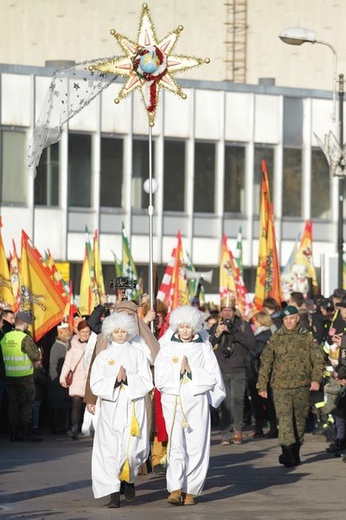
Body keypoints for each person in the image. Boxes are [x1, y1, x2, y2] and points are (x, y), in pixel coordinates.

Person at [155, 305, 225, 506]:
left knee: (196, 445)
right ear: (176, 326)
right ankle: (175, 488)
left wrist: (192, 372)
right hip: (174, 400)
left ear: (195, 327)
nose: (185, 330)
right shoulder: (167, 347)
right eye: (182, 326)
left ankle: (191, 490)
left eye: (189, 326)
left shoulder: (203, 347)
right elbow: (159, 377)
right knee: (176, 444)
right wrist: (178, 371)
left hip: (196, 401)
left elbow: (214, 377)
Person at [90, 312, 153, 508]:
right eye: (116, 331)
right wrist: (114, 382)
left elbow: (147, 381)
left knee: (133, 450)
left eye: (123, 331)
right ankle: (113, 494)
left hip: (133, 407)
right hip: (111, 409)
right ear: (110, 332)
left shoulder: (137, 354)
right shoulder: (103, 356)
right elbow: (95, 383)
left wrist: (127, 380)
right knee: (109, 451)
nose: (119, 334)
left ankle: (129, 478)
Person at [256, 305, 325, 467]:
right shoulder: (276, 338)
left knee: (299, 421)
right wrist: (262, 385)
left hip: (302, 386)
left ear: (297, 319)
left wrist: (316, 379)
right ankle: (286, 451)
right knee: (285, 419)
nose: (288, 322)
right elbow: (266, 362)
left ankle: (295, 450)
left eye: (291, 318)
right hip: (280, 386)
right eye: (285, 319)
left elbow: (318, 360)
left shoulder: (307, 337)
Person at [209, 299, 255, 445]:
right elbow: (207, 346)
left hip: (239, 369)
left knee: (238, 400)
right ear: (221, 312)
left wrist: (233, 333)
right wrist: (217, 333)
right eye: (224, 310)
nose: (227, 313)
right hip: (221, 370)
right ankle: (225, 433)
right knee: (224, 403)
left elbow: (251, 343)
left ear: (234, 312)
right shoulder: (216, 326)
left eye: (230, 310)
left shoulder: (242, 326)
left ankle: (237, 430)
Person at [0, 310, 42, 441]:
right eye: (28, 324)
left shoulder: (5, 337)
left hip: (9, 376)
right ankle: (26, 432)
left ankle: (14, 432)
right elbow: (35, 355)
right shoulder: (25, 338)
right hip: (25, 377)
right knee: (26, 404)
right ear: (24, 324)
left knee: (13, 404)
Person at [248, 311, 277, 438]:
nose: (254, 323)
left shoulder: (263, 335)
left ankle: (270, 428)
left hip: (261, 372)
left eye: (255, 321)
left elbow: (257, 352)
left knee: (264, 401)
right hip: (259, 372)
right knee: (261, 401)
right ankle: (260, 427)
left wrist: (247, 347)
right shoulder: (267, 333)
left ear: (260, 321)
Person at [60, 320, 90, 440]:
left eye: (87, 332)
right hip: (77, 378)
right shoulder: (72, 345)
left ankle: (90, 427)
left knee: (90, 404)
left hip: (89, 378)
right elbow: (68, 363)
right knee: (76, 402)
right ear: (78, 332)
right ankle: (74, 427)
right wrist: (63, 377)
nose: (84, 334)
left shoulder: (94, 343)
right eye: (82, 332)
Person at [47, 322, 73, 434]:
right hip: (57, 379)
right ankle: (57, 426)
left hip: (58, 379)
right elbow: (55, 365)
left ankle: (60, 425)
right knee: (57, 404)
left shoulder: (62, 346)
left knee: (61, 403)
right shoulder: (58, 346)